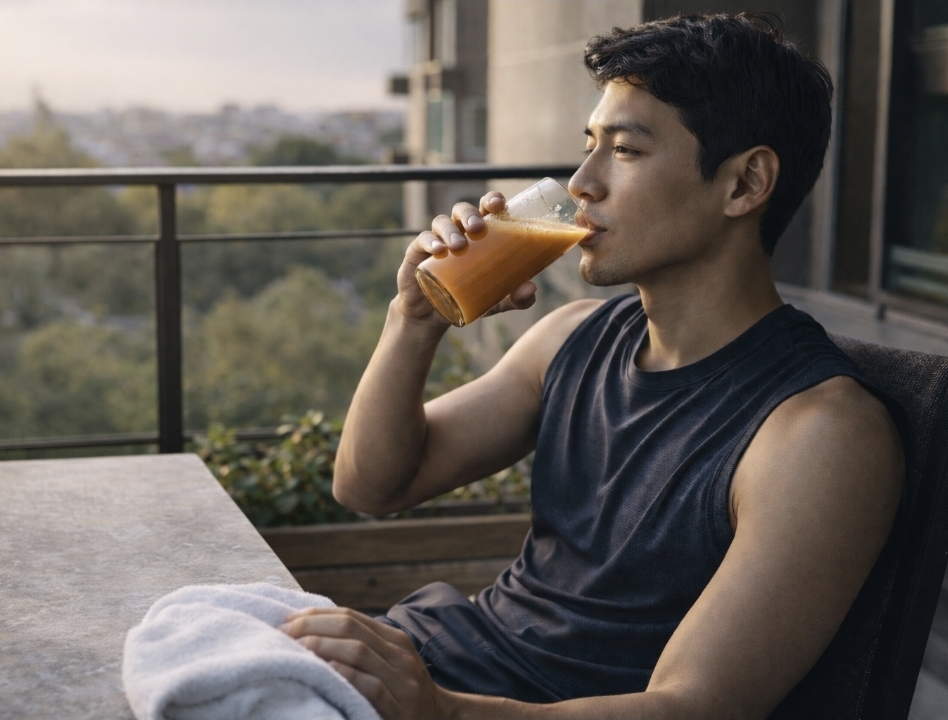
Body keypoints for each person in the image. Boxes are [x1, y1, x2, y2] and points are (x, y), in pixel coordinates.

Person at [278, 13, 904, 719]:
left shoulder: (818, 434)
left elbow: (690, 708)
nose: (581, 184)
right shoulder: (572, 336)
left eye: (626, 152)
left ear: (743, 184)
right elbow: (370, 485)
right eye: (588, 146)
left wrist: (441, 709)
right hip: (429, 659)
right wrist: (412, 321)